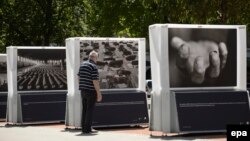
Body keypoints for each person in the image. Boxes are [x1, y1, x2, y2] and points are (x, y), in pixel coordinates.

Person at [78, 50, 102, 134]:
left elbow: (79, 77)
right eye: (97, 58)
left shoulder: (82, 64)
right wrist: (99, 93)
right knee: (90, 110)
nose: (97, 60)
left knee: (84, 109)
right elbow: (95, 81)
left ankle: (84, 128)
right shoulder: (93, 66)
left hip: (83, 90)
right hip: (91, 91)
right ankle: (87, 129)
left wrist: (82, 86)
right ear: (95, 58)